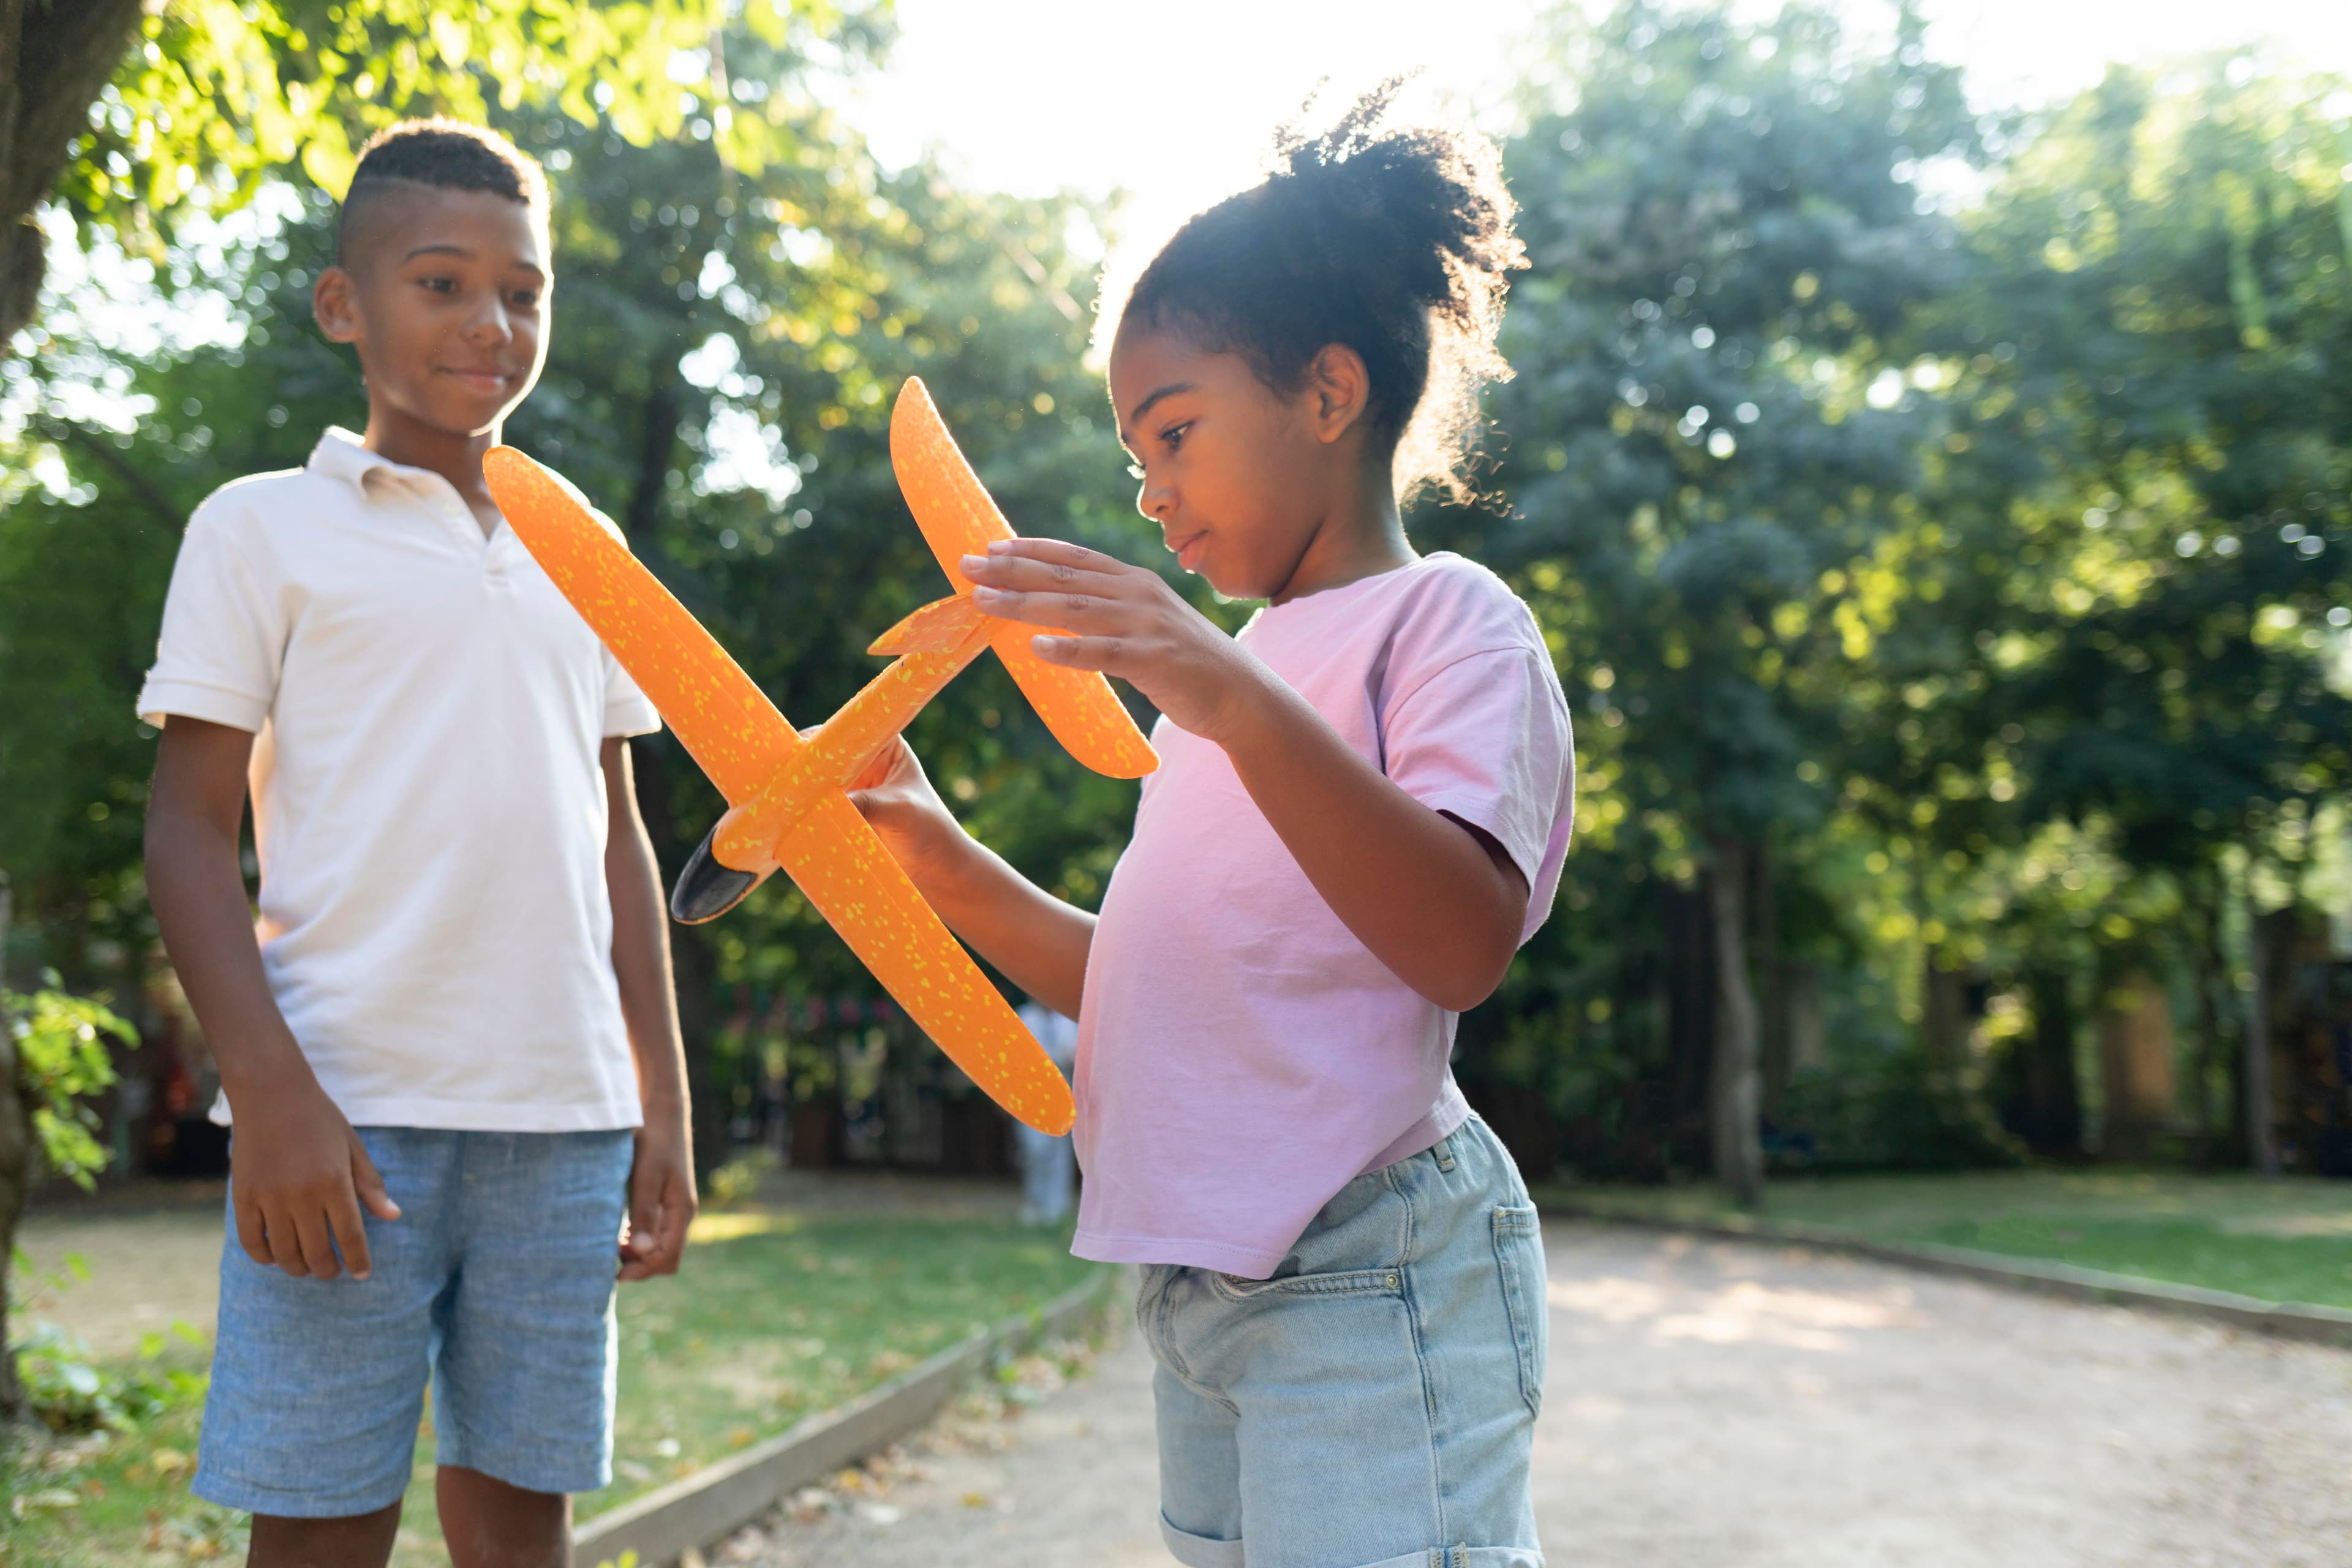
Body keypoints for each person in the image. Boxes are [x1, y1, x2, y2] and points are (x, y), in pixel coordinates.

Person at [842, 84, 1570, 1568]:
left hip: (1369, 1255)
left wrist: (1222, 688)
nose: (1151, 492)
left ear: (1328, 392)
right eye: (1136, 456)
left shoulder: (1447, 620)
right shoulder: (1224, 683)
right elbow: (1154, 980)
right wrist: (933, 849)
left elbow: (1460, 940)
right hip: (1201, 1282)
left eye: (1174, 432)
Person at [139, 119, 696, 1568]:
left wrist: (663, 1100)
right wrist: (269, 1092)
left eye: (523, 290)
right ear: (345, 304)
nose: (490, 322)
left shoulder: (587, 551)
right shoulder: (260, 529)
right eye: (441, 283)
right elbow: (187, 830)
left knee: (522, 1513)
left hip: (565, 1117)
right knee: (321, 1515)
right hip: (343, 1113)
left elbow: (619, 840)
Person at [1012, 998, 1080, 1224]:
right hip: (1031, 1089)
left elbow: (1074, 1053)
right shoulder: (1025, 1016)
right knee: (1034, 1149)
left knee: (1059, 1150)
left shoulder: (1066, 1019)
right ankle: (1034, 1202)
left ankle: (1056, 1207)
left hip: (1061, 1087)